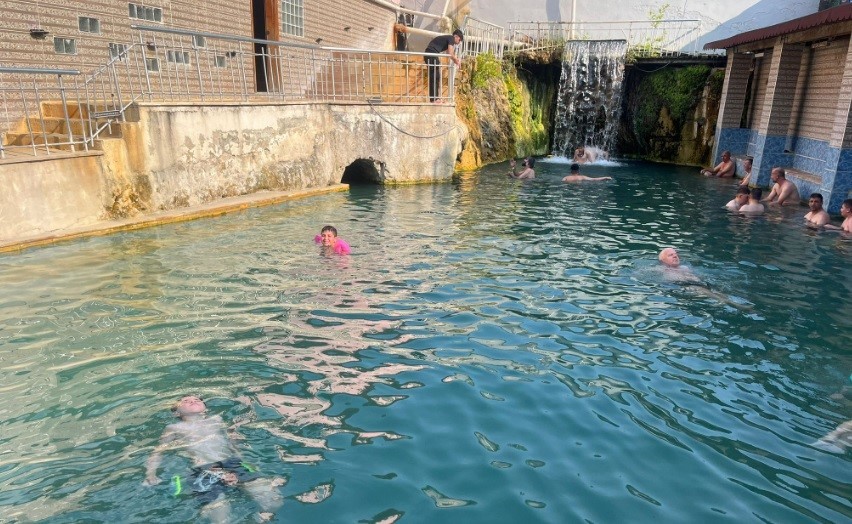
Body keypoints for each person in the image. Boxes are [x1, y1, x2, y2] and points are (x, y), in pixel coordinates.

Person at [144, 396, 283, 522]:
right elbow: (159, 451)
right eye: (186, 401)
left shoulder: (217, 419)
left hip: (232, 463)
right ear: (177, 412)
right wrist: (151, 474)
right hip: (202, 469)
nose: (193, 400)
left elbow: (232, 441)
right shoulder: (174, 428)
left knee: (274, 501)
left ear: (205, 408)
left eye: (197, 399)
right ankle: (210, 509)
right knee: (220, 515)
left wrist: (241, 458)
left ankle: (257, 519)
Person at [424, 29, 463, 103]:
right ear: (456, 36)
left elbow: (449, 53)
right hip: (432, 54)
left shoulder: (448, 38)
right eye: (459, 40)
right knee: (435, 77)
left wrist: (455, 60)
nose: (459, 42)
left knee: (435, 76)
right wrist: (457, 60)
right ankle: (434, 99)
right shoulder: (451, 38)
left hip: (431, 54)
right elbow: (450, 52)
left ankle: (435, 99)